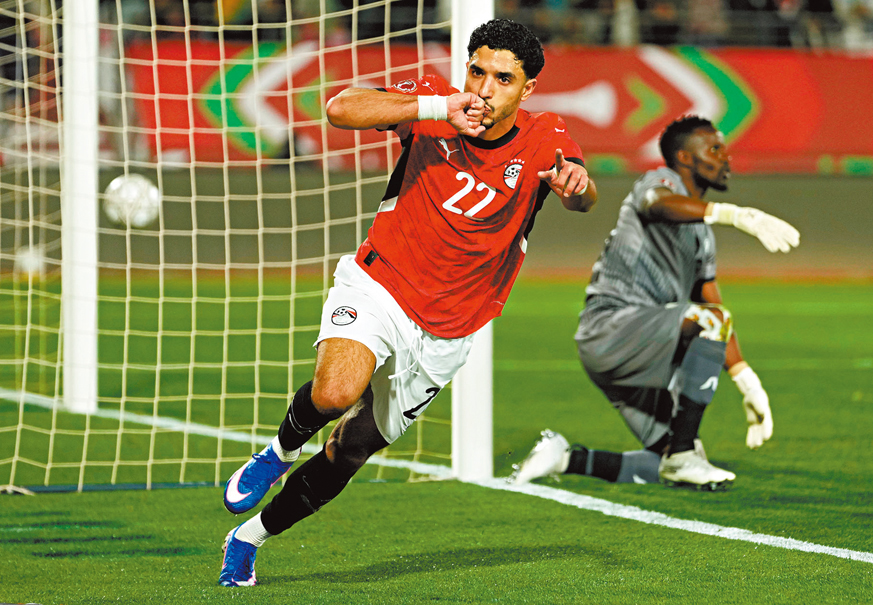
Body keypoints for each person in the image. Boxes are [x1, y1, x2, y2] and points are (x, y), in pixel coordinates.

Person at [218, 19, 598, 587]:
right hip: (381, 284)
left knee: (349, 451)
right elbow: (340, 108)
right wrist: (437, 108)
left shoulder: (547, 135)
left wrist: (575, 185)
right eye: (477, 72)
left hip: (451, 327)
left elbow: (582, 192)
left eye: (502, 79)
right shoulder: (432, 102)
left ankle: (249, 538)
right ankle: (278, 450)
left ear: (527, 89)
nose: (484, 88)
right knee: (335, 392)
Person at [508, 115, 798, 491]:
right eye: (714, 148)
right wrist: (735, 214)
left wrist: (746, 379)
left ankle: (565, 457)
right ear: (685, 157)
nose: (725, 157)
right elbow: (657, 204)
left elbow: (714, 303)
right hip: (613, 326)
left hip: (639, 345)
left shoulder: (702, 235)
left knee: (665, 461)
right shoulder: (660, 182)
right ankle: (683, 454)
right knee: (708, 325)